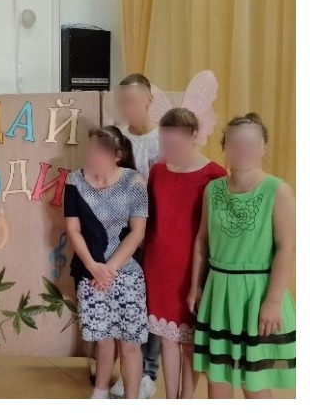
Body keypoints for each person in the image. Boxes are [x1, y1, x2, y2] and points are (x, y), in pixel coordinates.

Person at [190, 112, 296, 397]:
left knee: (254, 382)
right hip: (219, 293)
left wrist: (273, 301)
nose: (242, 150)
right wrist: (195, 287)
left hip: (257, 294)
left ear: (264, 147)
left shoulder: (278, 190)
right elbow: (202, 241)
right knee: (218, 377)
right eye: (235, 143)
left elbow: (287, 247)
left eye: (250, 144)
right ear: (225, 147)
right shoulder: (213, 189)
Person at [144, 109, 225, 401]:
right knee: (167, 338)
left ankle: (187, 399)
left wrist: (202, 279)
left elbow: (214, 232)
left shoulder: (215, 175)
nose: (170, 146)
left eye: (175, 140)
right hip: (158, 265)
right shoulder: (157, 171)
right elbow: (151, 219)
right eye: (165, 141)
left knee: (190, 341)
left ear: (193, 135)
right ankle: (171, 399)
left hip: (194, 267)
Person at [64, 126, 148, 401]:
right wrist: (93, 267)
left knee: (130, 345)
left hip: (127, 273)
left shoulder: (135, 181)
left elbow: (137, 232)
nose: (93, 156)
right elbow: (73, 229)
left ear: (117, 155)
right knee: (102, 341)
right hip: (90, 273)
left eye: (100, 151)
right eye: (90, 150)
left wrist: (108, 270)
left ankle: (132, 400)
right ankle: (99, 395)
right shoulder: (74, 181)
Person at [113, 76, 161, 399]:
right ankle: (128, 369)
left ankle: (148, 372)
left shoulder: (162, 140)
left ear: (148, 100)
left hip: (156, 235)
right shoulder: (117, 139)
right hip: (124, 237)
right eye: (123, 101)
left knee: (152, 302)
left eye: (133, 100)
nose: (127, 107)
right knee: (128, 303)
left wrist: (148, 231)